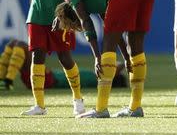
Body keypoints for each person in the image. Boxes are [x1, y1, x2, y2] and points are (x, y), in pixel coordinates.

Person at [54, 0, 155, 118]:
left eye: (70, 26)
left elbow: (86, 22)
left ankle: (101, 109)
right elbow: (115, 31)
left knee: (108, 46)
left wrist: (97, 57)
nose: (74, 28)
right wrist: (126, 59)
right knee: (135, 47)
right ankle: (135, 108)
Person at [0, 39, 128, 90]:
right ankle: (2, 81)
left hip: (46, 80)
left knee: (20, 46)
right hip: (44, 78)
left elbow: (118, 66)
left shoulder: (95, 79)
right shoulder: (92, 77)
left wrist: (126, 62)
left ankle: (8, 81)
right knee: (13, 44)